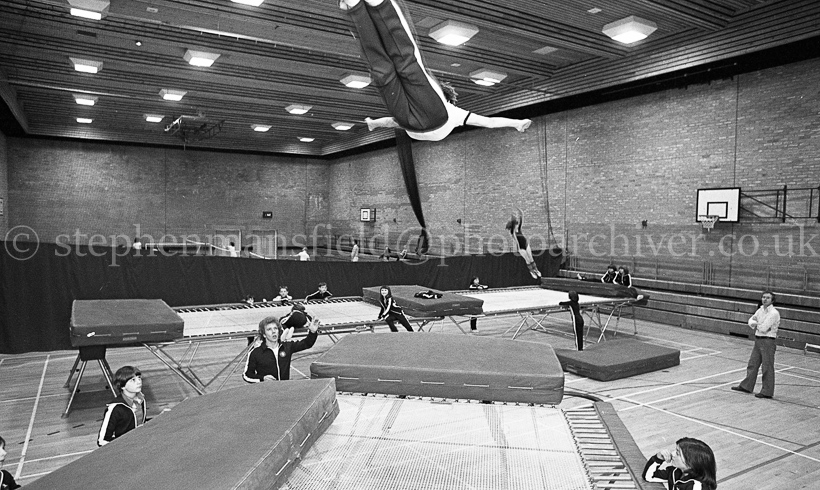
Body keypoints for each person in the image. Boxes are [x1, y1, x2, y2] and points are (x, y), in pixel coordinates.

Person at [339, 0, 532, 142]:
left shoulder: (453, 111)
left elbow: (488, 122)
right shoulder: (452, 114)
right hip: (413, 123)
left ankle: (379, 5)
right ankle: (355, 8)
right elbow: (389, 122)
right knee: (383, 73)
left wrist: (517, 122)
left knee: (407, 64)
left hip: (433, 117)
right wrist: (373, 123)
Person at [732, 291, 780, 399]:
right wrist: (757, 324)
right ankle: (746, 386)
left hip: (768, 341)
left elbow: (763, 328)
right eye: (763, 297)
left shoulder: (774, 313)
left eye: (767, 298)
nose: (765, 299)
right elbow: (751, 321)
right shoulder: (760, 310)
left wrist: (756, 324)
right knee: (752, 364)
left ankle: (767, 391)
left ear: (772, 300)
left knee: (767, 367)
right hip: (758, 340)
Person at [243, 315, 319, 382]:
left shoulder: (287, 347)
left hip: (284, 391)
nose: (273, 332)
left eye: (275, 328)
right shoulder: (255, 353)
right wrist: (262, 379)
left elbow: (307, 343)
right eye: (269, 329)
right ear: (264, 334)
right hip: (265, 393)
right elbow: (247, 375)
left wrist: (312, 332)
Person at [98, 366, 146, 446]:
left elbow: (140, 423)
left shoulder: (141, 400)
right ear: (122, 386)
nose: (139, 382)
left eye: (139, 378)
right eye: (133, 380)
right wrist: (125, 444)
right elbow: (102, 441)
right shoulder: (115, 408)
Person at [642, 437, 717, 490]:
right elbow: (649, 476)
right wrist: (658, 458)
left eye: (678, 453)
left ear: (691, 463)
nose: (673, 454)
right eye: (675, 450)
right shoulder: (675, 471)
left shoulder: (696, 486)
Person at [505, 207, 540, 279]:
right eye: (516, 225)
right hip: (520, 247)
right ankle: (532, 271)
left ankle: (536, 270)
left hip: (525, 244)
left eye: (517, 225)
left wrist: (520, 212)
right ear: (513, 226)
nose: (517, 226)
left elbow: (522, 218)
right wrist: (512, 217)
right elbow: (516, 241)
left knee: (530, 257)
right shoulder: (513, 232)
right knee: (527, 259)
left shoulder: (520, 228)